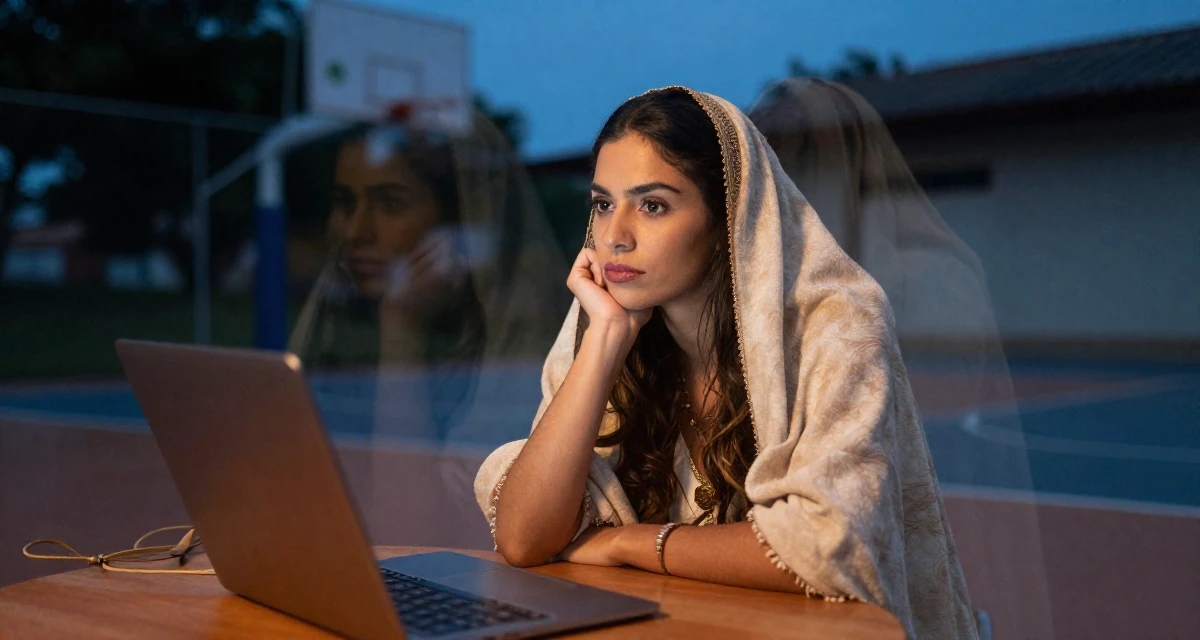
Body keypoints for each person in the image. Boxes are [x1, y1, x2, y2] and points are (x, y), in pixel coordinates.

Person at [475, 86, 978, 639]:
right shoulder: (607, 317)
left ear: (730, 218)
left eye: (652, 205)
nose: (615, 236)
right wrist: (605, 342)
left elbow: (833, 543)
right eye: (602, 204)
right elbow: (524, 538)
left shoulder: (838, 323)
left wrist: (628, 541)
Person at [748, 78, 1053, 638]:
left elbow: (948, 392)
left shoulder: (924, 281)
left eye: (802, 165)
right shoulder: (758, 291)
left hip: (893, 518)